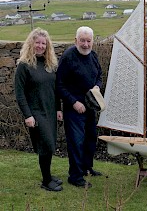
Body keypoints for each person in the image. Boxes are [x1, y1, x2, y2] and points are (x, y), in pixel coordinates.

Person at [14, 27, 63, 192]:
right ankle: (46, 181)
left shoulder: (50, 65)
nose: (41, 46)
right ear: (31, 44)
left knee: (49, 145)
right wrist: (27, 115)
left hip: (49, 111)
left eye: (44, 43)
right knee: (46, 145)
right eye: (38, 43)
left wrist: (58, 109)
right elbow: (20, 94)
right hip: (36, 113)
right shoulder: (24, 66)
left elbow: (55, 91)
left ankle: (48, 175)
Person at [56, 26, 103, 188]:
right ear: (75, 40)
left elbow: (99, 76)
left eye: (88, 41)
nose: (85, 44)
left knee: (90, 138)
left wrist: (97, 86)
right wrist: (74, 102)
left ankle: (86, 169)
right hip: (73, 108)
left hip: (90, 106)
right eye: (82, 40)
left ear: (92, 41)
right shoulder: (68, 57)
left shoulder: (93, 56)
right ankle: (75, 176)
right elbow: (59, 85)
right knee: (76, 142)